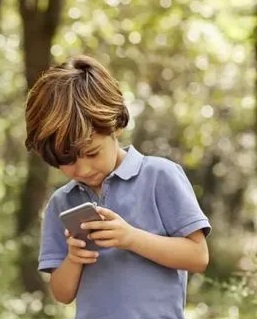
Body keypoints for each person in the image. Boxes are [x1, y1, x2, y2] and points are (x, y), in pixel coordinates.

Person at [24, 55, 211, 319]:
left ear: (116, 125)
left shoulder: (160, 176)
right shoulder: (62, 203)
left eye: (91, 153)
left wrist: (131, 238)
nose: (83, 170)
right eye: (66, 162)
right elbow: (62, 294)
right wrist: (74, 259)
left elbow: (198, 256)